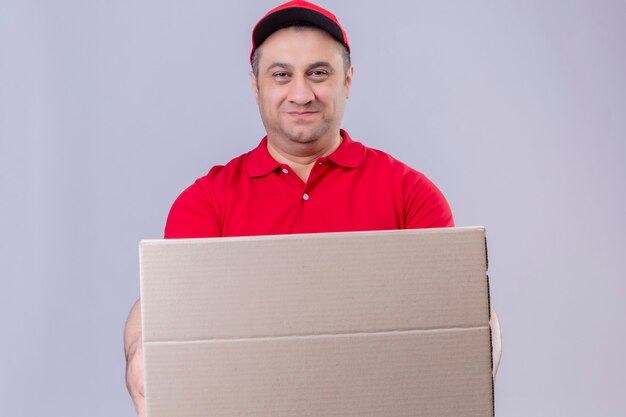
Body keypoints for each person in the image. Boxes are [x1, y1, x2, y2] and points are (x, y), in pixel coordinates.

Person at [124, 1, 501, 415]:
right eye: (281, 75)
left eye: (318, 73)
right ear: (256, 86)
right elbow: (174, 315)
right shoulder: (206, 201)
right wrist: (138, 347)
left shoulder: (410, 194)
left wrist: (483, 337)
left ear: (348, 80)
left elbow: (450, 318)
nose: (301, 94)